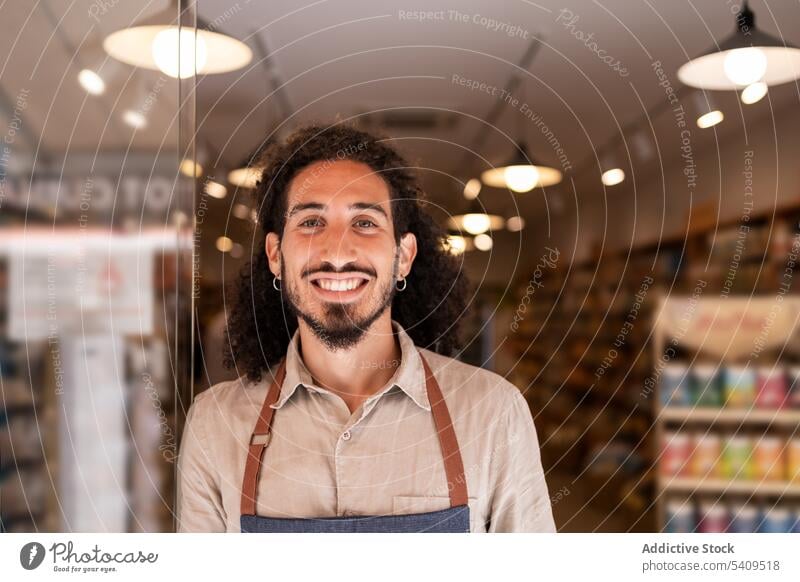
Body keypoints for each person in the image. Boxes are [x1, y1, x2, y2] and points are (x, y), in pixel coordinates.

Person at [176, 123, 556, 533]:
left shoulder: (493, 413)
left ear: (404, 256)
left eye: (365, 222)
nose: (338, 251)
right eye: (310, 222)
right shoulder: (214, 426)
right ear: (275, 255)